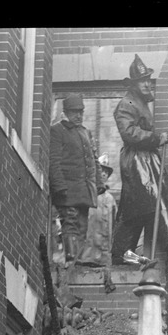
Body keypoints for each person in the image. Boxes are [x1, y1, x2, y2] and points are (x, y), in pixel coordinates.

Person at [111, 54, 168, 265]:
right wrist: (155, 139)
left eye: (148, 80)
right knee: (153, 198)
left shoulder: (140, 102)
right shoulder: (128, 102)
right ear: (133, 84)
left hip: (147, 159)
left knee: (140, 204)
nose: (146, 84)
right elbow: (128, 133)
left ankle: (121, 251)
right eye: (142, 81)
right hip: (137, 161)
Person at [49, 94, 105, 272]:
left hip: (83, 190)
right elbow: (54, 161)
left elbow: (94, 160)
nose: (78, 115)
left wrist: (98, 183)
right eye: (74, 112)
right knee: (70, 222)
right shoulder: (57, 131)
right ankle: (71, 258)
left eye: (80, 112)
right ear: (66, 112)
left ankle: (77, 258)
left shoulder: (85, 132)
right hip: (67, 188)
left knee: (82, 224)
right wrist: (59, 186)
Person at [77, 154, 117, 268]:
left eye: (106, 172)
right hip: (87, 251)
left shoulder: (110, 199)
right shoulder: (87, 193)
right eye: (101, 171)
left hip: (103, 253)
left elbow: (114, 223)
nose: (104, 174)